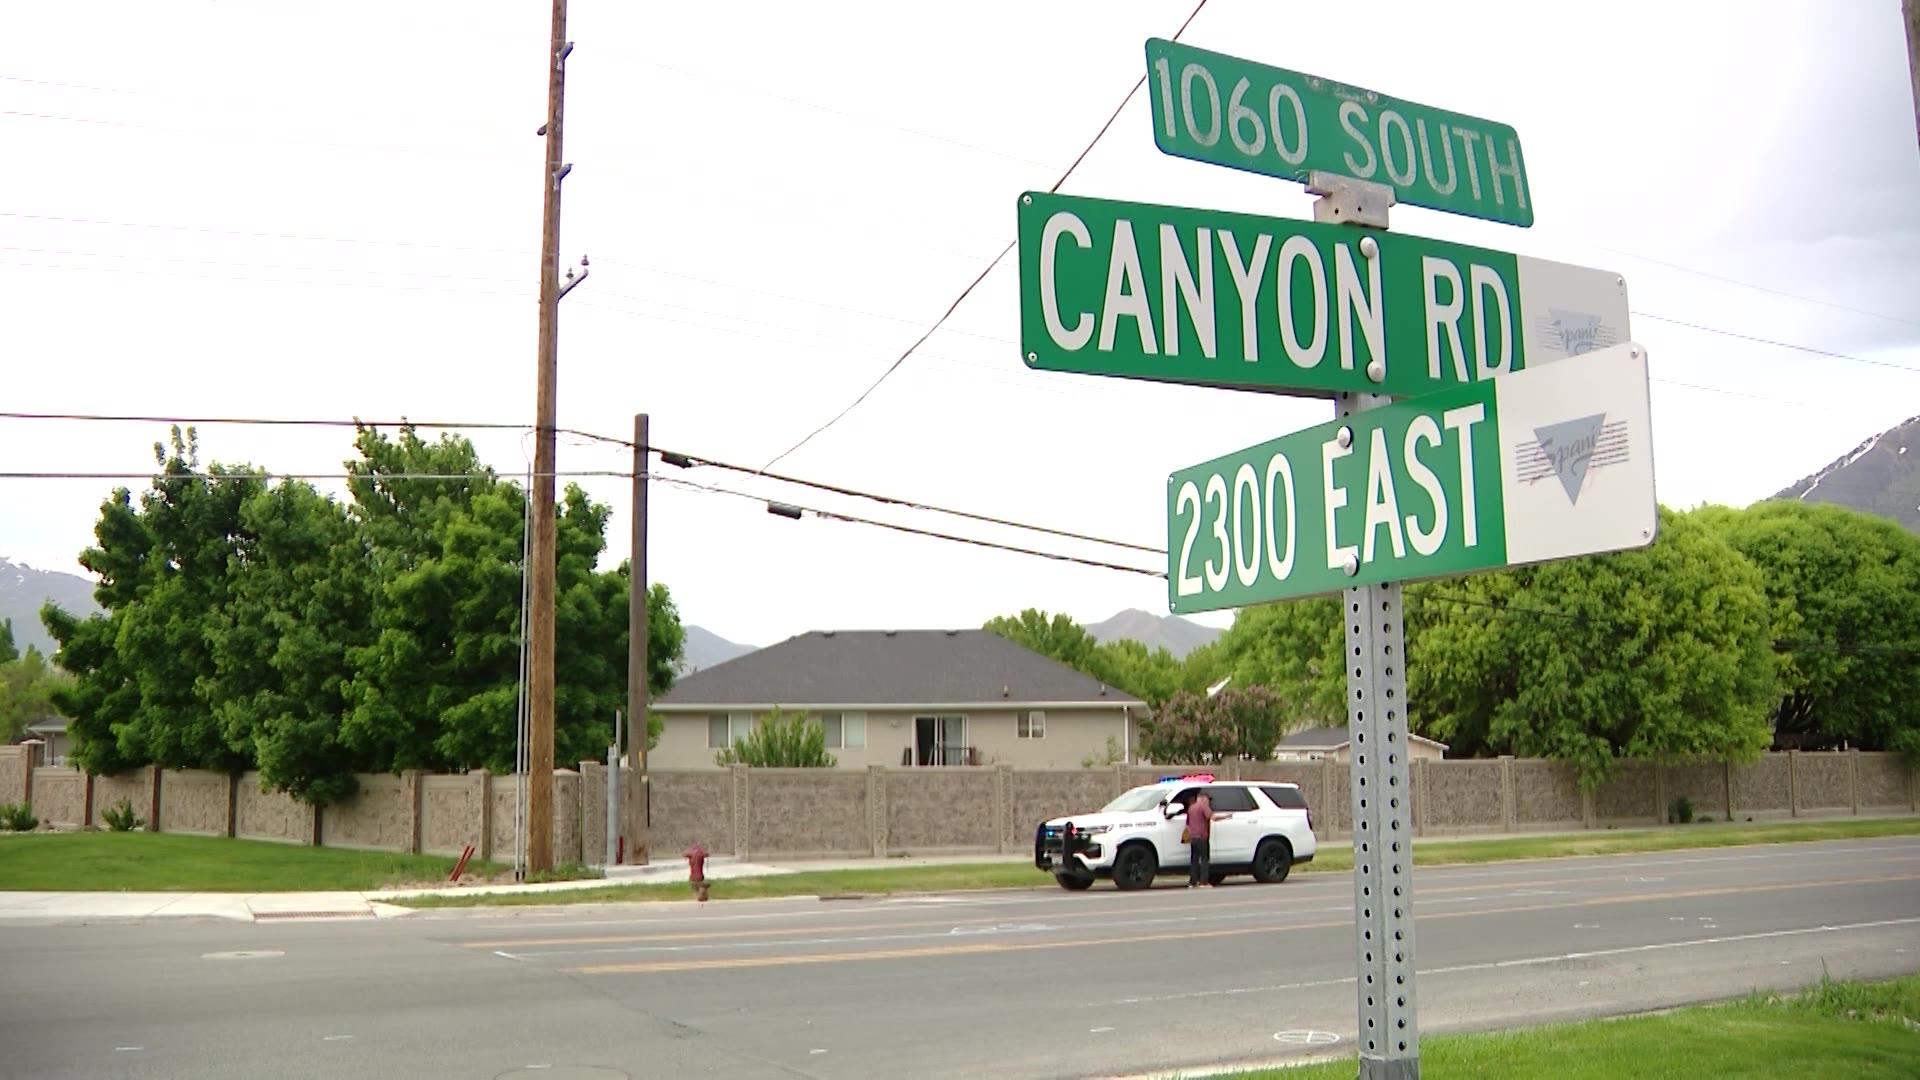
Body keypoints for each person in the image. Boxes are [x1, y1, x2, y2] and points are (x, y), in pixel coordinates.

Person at [1185, 789, 1214, 888]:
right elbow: (1210, 816)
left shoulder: (1191, 807)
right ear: (1203, 799)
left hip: (1193, 837)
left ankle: (1192, 882)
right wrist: (1227, 816)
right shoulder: (1203, 806)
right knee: (1205, 859)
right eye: (1207, 799)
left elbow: (1187, 823)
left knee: (1194, 860)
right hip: (1202, 837)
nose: (1209, 801)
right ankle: (1204, 882)